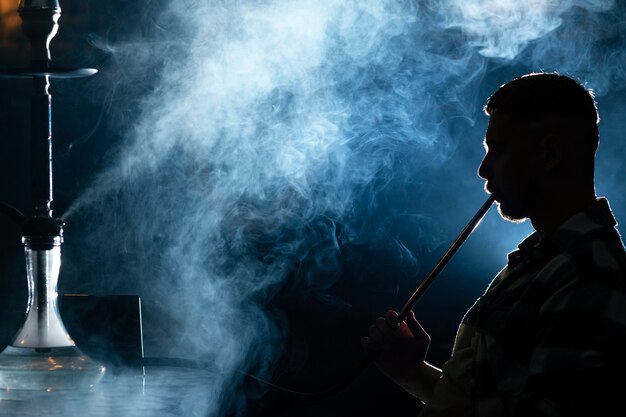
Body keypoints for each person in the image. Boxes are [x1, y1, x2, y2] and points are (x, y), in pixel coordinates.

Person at [361, 72, 626, 416]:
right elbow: (490, 401)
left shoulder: (589, 273)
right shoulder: (540, 263)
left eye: (498, 151)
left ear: (549, 154)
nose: (484, 170)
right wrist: (413, 373)